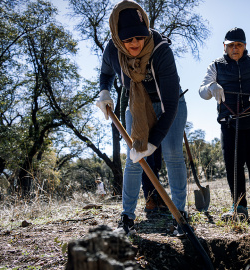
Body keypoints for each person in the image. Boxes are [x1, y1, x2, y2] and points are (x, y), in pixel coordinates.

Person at [95, 0, 188, 236]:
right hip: (137, 107)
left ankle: (180, 215)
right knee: (133, 161)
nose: (135, 43)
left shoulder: (161, 50)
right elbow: (106, 73)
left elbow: (169, 106)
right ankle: (127, 217)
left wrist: (153, 142)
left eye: (139, 37)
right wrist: (104, 91)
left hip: (170, 104)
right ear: (118, 37)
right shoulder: (112, 50)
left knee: (173, 154)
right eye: (128, 39)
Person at [199, 27, 250, 221]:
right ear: (224, 46)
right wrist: (212, 86)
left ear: (245, 46)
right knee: (233, 165)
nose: (235, 48)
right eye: (231, 45)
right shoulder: (215, 66)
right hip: (229, 122)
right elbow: (202, 92)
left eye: (239, 45)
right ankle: (239, 207)